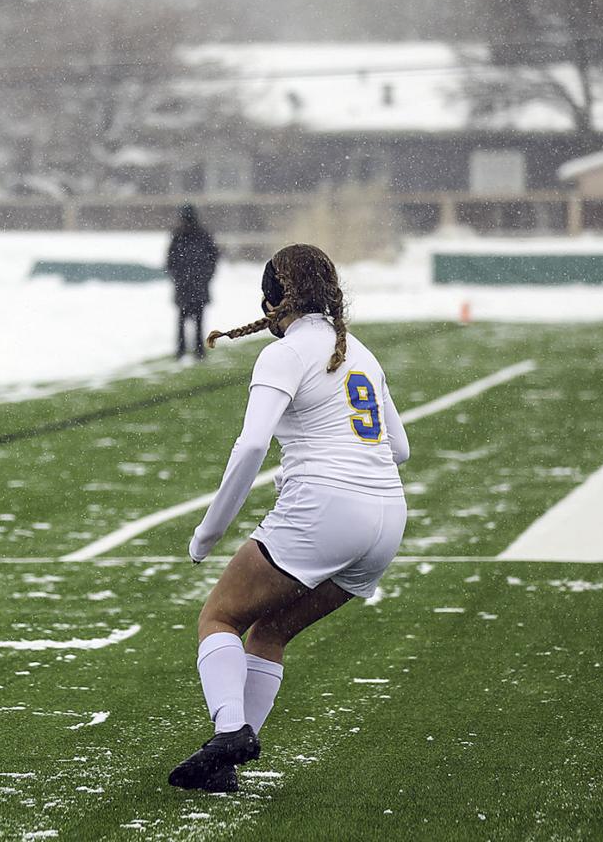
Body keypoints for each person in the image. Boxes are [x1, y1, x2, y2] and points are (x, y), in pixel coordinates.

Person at [167, 243, 410, 792]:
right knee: (271, 630)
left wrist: (208, 533)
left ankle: (230, 731)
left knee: (220, 617)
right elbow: (399, 449)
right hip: (387, 520)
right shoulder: (362, 354)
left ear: (273, 301)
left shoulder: (284, 354)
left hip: (326, 510)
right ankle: (224, 762)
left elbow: (252, 446)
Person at [165, 204, 220, 360]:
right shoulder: (201, 235)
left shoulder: (180, 236)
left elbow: (170, 261)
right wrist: (203, 277)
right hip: (194, 285)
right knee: (196, 320)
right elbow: (213, 258)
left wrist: (181, 278)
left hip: (189, 285)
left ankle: (185, 350)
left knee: (185, 320)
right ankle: (196, 350)